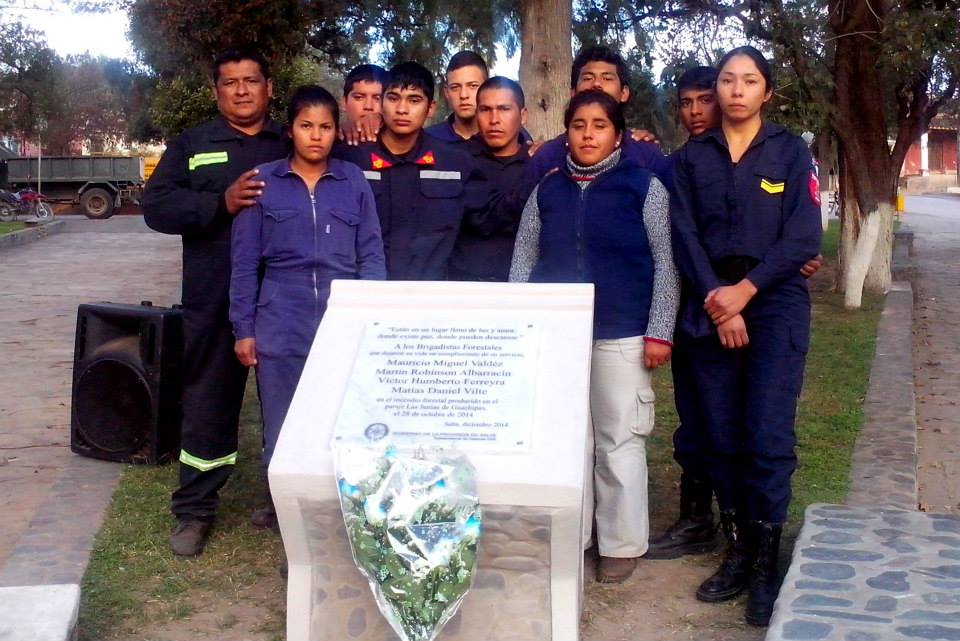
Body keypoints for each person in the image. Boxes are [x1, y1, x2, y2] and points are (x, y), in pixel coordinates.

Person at [670, 46, 822, 626]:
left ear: (767, 92)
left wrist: (746, 293)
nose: (736, 90)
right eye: (727, 81)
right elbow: (683, 236)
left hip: (773, 304)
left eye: (748, 81)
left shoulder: (788, 152)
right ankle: (735, 554)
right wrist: (720, 298)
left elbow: (803, 237)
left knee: (766, 436)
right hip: (711, 305)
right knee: (721, 436)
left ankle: (764, 566)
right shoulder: (690, 159)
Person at [511, 90, 680, 584]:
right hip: (556, 334)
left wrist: (660, 330)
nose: (588, 134)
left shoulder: (643, 187)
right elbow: (524, 258)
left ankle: (621, 545)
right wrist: (521, 322)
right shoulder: (548, 189)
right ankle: (573, 538)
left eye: (599, 125)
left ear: (618, 135)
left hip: (622, 333)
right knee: (566, 443)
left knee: (619, 440)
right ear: (567, 131)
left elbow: (666, 265)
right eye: (579, 124)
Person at [142, 47, 290, 556]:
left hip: (281, 301)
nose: (242, 90)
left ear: (269, 87)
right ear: (217, 92)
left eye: (252, 79)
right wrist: (217, 203)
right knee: (209, 401)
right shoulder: (194, 143)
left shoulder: (289, 141)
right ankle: (195, 510)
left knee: (289, 405)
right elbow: (156, 206)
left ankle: (286, 502)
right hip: (212, 299)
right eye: (231, 82)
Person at [230, 86, 386, 511]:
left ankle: (342, 504)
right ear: (291, 130)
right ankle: (284, 504)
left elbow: (371, 253)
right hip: (281, 316)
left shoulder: (352, 181)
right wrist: (244, 328)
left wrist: (372, 319)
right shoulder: (263, 183)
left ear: (337, 131)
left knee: (344, 416)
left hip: (343, 317)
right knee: (283, 420)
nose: (315, 136)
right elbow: (244, 264)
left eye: (325, 127)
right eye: (306, 126)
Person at [333, 61, 487, 280]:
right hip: (366, 293)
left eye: (414, 100)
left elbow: (491, 220)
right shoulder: (350, 159)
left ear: (431, 108)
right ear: (382, 102)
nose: (402, 109)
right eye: (393, 98)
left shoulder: (455, 163)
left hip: (431, 299)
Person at [519, 46, 674, 201]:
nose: (597, 84)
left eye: (607, 78)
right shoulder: (547, 156)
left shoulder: (646, 154)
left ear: (624, 93)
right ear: (572, 93)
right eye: (587, 78)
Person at [448, 76, 529, 281]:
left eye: (504, 109)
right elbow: (481, 218)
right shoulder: (455, 160)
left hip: (523, 289)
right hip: (465, 285)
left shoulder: (536, 162)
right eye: (485, 110)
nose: (494, 120)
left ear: (523, 115)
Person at [425, 51, 489, 144]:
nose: (463, 95)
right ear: (447, 92)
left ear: (487, 88)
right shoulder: (428, 140)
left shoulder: (502, 139)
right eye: (455, 87)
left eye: (472, 86)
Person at [339, 63, 387, 145]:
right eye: (359, 97)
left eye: (377, 99)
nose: (368, 106)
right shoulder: (331, 143)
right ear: (343, 102)